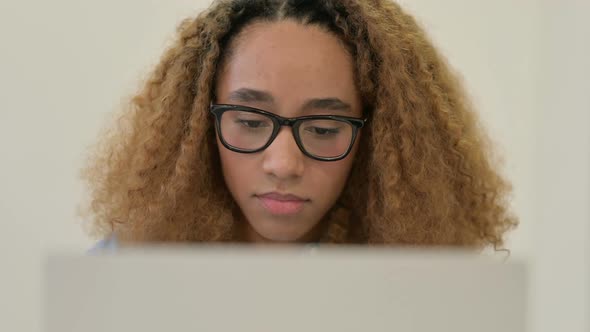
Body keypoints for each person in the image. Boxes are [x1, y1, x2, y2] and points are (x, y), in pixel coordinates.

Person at [82, 0, 517, 250]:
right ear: (197, 127)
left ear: (375, 136)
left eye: (324, 129)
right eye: (250, 121)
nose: (284, 164)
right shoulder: (128, 270)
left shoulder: (439, 294)